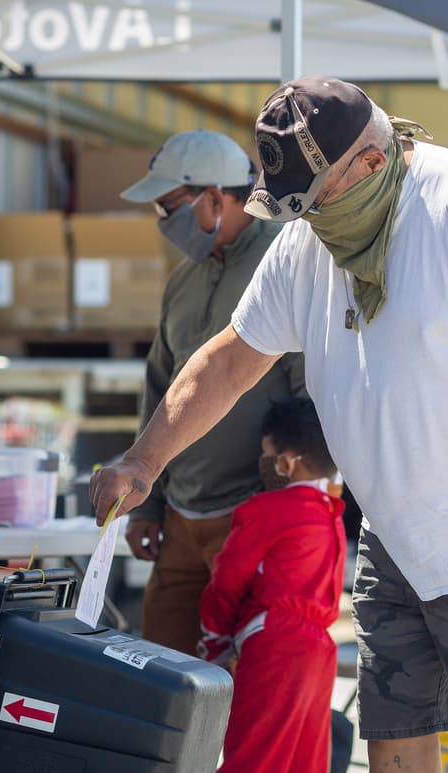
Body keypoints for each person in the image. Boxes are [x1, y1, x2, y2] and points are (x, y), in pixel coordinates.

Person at [92, 76, 448, 773]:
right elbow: (230, 362)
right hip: (396, 537)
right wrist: (143, 461)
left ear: (370, 166)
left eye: (315, 204)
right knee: (397, 723)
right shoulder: (310, 242)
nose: (305, 227)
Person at [118, 129, 306, 656]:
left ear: (215, 198)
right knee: (161, 682)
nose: (162, 222)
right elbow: (159, 388)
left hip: (252, 516)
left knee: (246, 686)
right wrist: (148, 505)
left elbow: (307, 400)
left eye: (169, 206)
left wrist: (283, 513)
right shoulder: (182, 281)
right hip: (180, 518)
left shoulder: (284, 263)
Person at [197, 398, 346, 773]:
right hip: (321, 651)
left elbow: (227, 581)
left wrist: (214, 643)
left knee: (250, 770)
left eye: (266, 455)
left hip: (275, 645)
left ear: (284, 462)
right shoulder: (331, 515)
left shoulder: (266, 510)